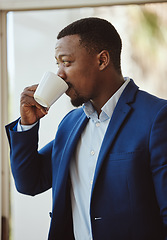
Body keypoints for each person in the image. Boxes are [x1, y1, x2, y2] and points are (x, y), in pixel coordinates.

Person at [5, 17, 167, 240]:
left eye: (67, 62)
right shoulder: (70, 124)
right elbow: (29, 183)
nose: (60, 73)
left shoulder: (157, 117)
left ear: (102, 60)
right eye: (57, 64)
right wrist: (28, 124)